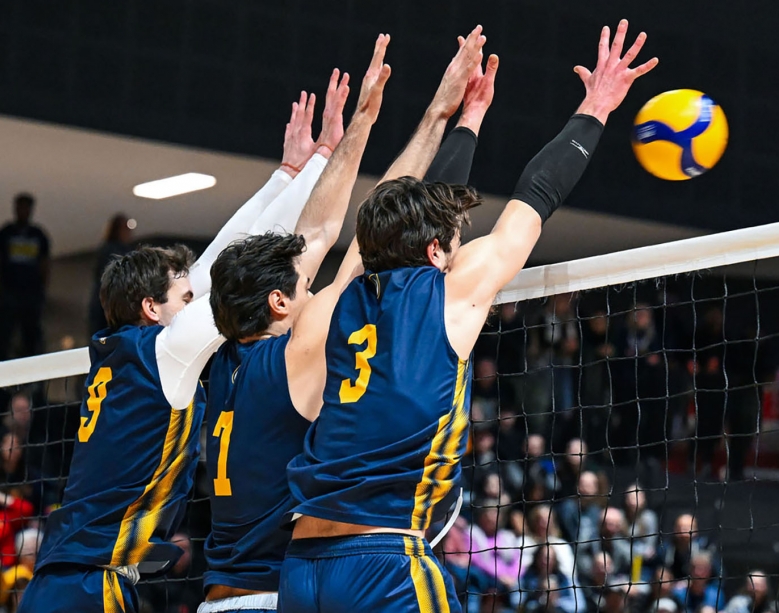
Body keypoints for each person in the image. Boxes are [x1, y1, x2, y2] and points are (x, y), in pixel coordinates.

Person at [280, 20, 657, 613]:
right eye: (451, 239)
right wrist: (597, 107)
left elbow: (423, 213)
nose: (459, 242)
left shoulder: (332, 303)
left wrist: (468, 119)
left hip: (300, 566)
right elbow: (535, 196)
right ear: (436, 252)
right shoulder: (451, 296)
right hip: (383, 562)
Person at [18, 74, 342, 613]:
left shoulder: (122, 354)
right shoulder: (161, 354)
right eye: (186, 296)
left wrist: (285, 176)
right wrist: (318, 162)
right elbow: (232, 264)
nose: (197, 301)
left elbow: (217, 258)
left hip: (65, 579)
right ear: (153, 308)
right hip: (85, 589)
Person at [201, 30, 493, 613]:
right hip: (274, 596)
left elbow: (311, 237)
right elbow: (366, 242)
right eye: (304, 286)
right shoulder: (293, 354)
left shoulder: (217, 365)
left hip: (219, 598)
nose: (314, 287)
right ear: (281, 305)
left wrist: (353, 129)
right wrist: (438, 112)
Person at [0, 193, 50, 359]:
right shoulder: (6, 234)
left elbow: (44, 263)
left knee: (30, 335)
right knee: (5, 335)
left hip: (31, 293)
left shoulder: (38, 235)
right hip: (9, 292)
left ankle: (31, 377)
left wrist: (42, 290)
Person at [88, 214, 136, 337]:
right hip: (110, 304)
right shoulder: (114, 251)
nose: (129, 232)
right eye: (126, 228)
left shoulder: (108, 249)